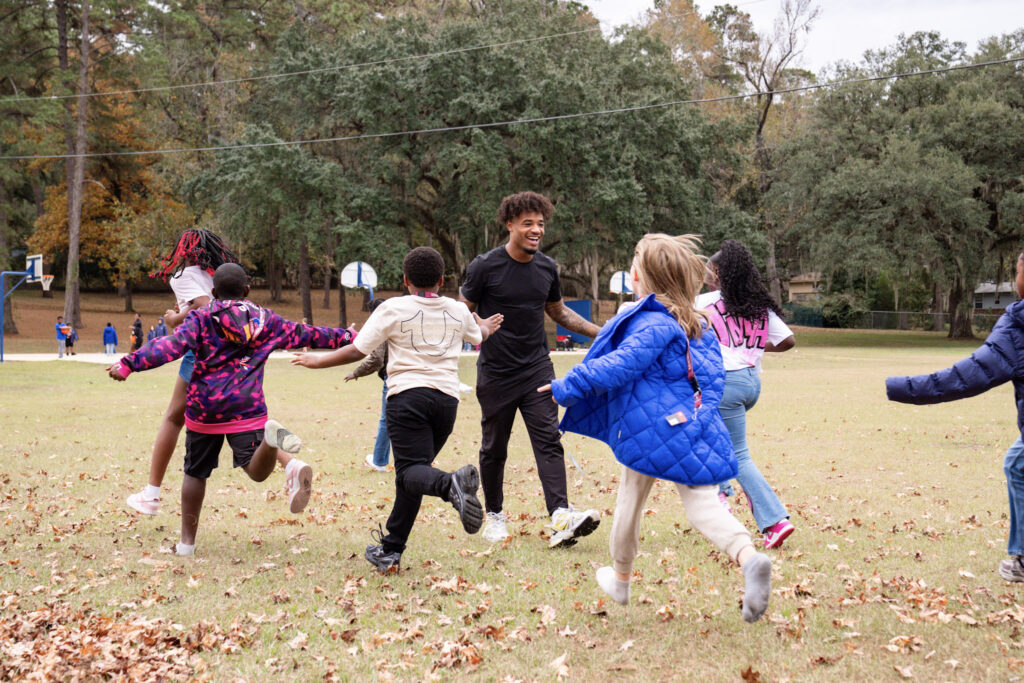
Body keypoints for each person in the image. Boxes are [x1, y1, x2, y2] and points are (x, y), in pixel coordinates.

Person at [540, 234, 772, 621]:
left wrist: (568, 387)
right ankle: (747, 557)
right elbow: (712, 377)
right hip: (691, 423)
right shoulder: (695, 322)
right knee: (702, 504)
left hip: (651, 429)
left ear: (641, 277)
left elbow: (621, 364)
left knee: (629, 502)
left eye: (635, 262)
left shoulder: (651, 322)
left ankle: (621, 579)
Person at [108, 263, 356, 556]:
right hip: (247, 408)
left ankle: (186, 544)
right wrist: (347, 337)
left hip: (205, 411)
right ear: (247, 290)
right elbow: (307, 333)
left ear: (212, 292)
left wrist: (129, 364)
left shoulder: (201, 318)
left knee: (195, 474)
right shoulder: (266, 319)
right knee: (256, 471)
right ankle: (269, 441)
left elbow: (170, 345)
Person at [292, 247, 503, 574]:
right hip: (446, 402)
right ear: (443, 279)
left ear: (405, 280)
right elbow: (481, 335)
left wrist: (317, 360)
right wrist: (486, 325)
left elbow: (357, 349)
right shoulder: (458, 310)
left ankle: (452, 485)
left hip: (407, 398)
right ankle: (391, 550)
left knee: (410, 472)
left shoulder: (393, 307)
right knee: (414, 476)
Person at [460, 191, 602, 548]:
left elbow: (560, 313)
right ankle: (494, 515)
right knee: (494, 447)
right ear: (510, 225)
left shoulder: (546, 268)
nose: (536, 229)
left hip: (537, 370)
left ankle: (561, 515)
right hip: (495, 373)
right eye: (528, 224)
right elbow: (461, 311)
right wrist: (478, 325)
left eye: (540, 224)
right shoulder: (484, 266)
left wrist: (603, 333)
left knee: (549, 441)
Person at [887, 250, 1024, 581]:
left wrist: (900, 387)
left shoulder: (1017, 327)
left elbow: (966, 377)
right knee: (1016, 461)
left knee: (1017, 465)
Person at [126, 229, 264, 516]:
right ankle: (291, 464)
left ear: (184, 250)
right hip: (235, 354)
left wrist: (174, 318)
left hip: (204, 352)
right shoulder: (215, 273)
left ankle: (151, 495)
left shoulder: (184, 276)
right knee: (236, 419)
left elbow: (210, 308)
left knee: (175, 418)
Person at [697, 240, 796, 549]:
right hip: (751, 383)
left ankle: (774, 520)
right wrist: (751, 346)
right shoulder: (758, 303)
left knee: (738, 453)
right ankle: (721, 493)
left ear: (716, 272)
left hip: (725, 383)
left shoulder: (707, 300)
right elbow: (788, 340)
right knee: (707, 430)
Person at [345, 297, 392, 472]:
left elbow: (377, 359)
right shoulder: (401, 321)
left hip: (394, 377)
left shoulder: (381, 327)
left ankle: (379, 461)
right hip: (415, 375)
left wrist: (356, 372)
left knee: (386, 419)